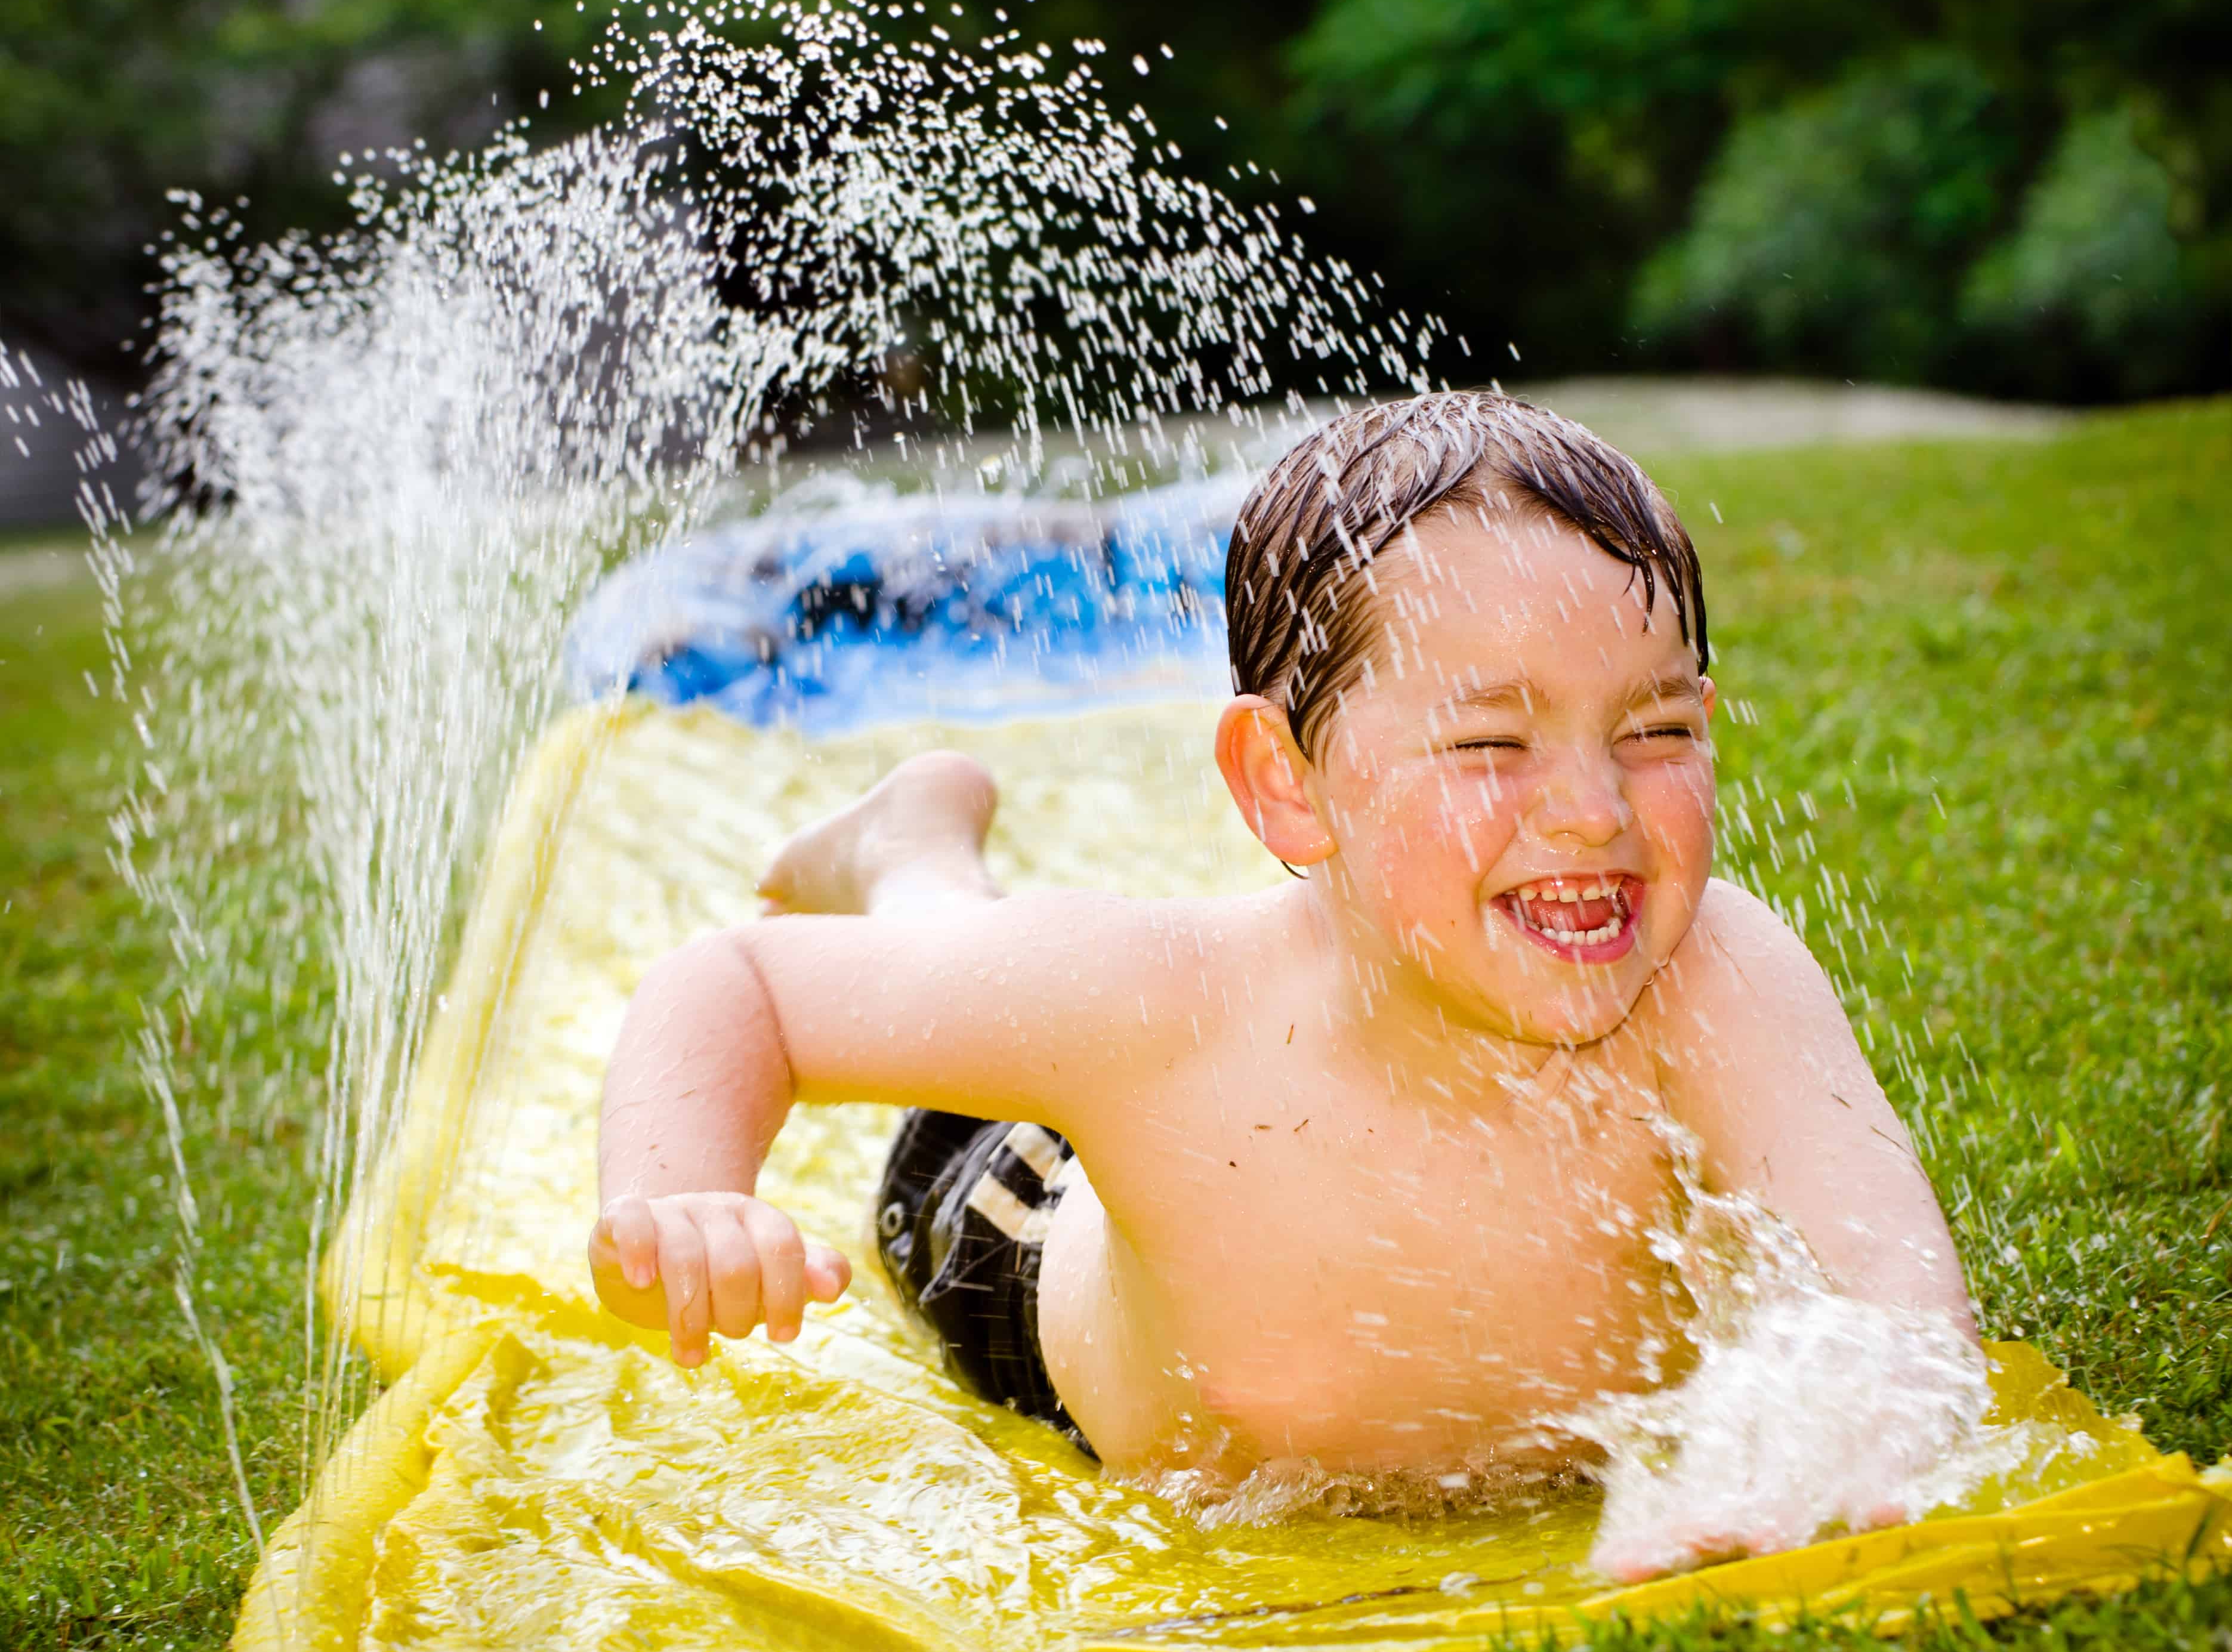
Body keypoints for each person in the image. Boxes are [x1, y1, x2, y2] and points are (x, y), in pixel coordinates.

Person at [587, 391, 1977, 1511]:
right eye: (1491, 742)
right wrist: (682, 1195)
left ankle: (917, 856)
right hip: (1022, 1218)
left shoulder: (1715, 976)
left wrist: (1810, 1463)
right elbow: (740, 986)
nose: (1593, 810)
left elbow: (1902, 1303)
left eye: (1656, 730)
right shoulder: (1154, 1004)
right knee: (984, 974)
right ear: (1283, 783)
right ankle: (906, 856)